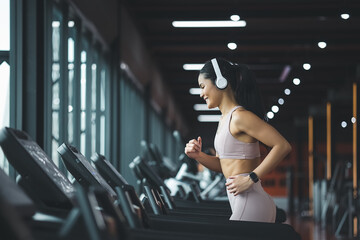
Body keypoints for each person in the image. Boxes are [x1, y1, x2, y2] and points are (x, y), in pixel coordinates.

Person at [184, 58, 292, 223]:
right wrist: (198, 156)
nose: (201, 93)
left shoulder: (240, 117)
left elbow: (282, 146)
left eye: (203, 86)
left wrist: (251, 178)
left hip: (251, 202)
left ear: (220, 82)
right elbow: (225, 166)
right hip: (245, 202)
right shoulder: (225, 120)